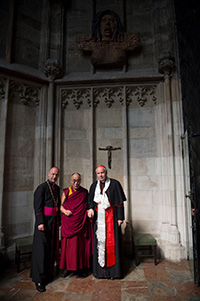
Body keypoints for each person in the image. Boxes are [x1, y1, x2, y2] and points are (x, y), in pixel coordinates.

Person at [88, 165, 126, 279]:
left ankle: (114, 272)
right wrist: (90, 209)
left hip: (112, 218)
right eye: (98, 173)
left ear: (106, 173)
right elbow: (90, 201)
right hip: (99, 220)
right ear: (97, 174)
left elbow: (119, 203)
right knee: (100, 243)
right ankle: (100, 272)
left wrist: (120, 218)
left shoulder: (115, 184)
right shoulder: (94, 185)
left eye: (102, 173)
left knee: (113, 244)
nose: (100, 175)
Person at [30, 167, 61, 293]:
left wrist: (58, 220)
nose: (54, 177)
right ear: (49, 174)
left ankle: (47, 274)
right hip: (43, 224)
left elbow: (57, 206)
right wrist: (40, 222)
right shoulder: (41, 187)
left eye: (56, 175)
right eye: (52, 174)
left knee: (51, 249)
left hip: (52, 223)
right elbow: (37, 206)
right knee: (41, 251)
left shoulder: (57, 188)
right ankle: (39, 280)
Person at [60, 173, 93, 278]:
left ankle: (80, 268)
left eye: (78, 180)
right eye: (74, 180)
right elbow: (60, 206)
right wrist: (65, 211)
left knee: (79, 247)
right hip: (69, 223)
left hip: (80, 223)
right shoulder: (66, 191)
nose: (76, 183)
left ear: (81, 181)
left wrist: (89, 212)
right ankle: (66, 268)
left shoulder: (84, 192)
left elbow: (88, 205)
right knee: (67, 247)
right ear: (71, 181)